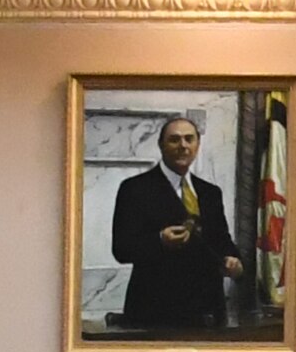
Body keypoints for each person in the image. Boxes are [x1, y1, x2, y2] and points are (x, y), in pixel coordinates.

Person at [105, 113, 246, 337]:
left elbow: (221, 240)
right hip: (155, 312)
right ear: (160, 145)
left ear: (197, 145)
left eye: (189, 139)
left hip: (208, 312)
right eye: (174, 139)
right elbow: (121, 249)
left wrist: (235, 262)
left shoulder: (210, 193)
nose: (183, 145)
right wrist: (159, 240)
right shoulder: (135, 189)